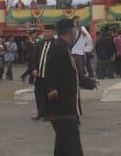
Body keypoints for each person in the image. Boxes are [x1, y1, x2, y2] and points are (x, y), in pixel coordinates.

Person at [39, 18, 98, 156]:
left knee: (62, 144)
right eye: (76, 30)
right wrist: (51, 88)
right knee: (72, 145)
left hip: (66, 105)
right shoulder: (57, 47)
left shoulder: (64, 47)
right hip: (61, 105)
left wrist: (89, 82)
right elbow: (49, 69)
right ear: (71, 31)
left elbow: (72, 74)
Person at [31, 24, 55, 121]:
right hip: (39, 75)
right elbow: (34, 58)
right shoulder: (40, 43)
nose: (46, 34)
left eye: (48, 32)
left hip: (50, 76)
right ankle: (40, 113)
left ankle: (49, 114)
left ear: (53, 32)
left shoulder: (56, 44)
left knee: (49, 95)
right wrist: (34, 69)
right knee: (38, 94)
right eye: (45, 32)